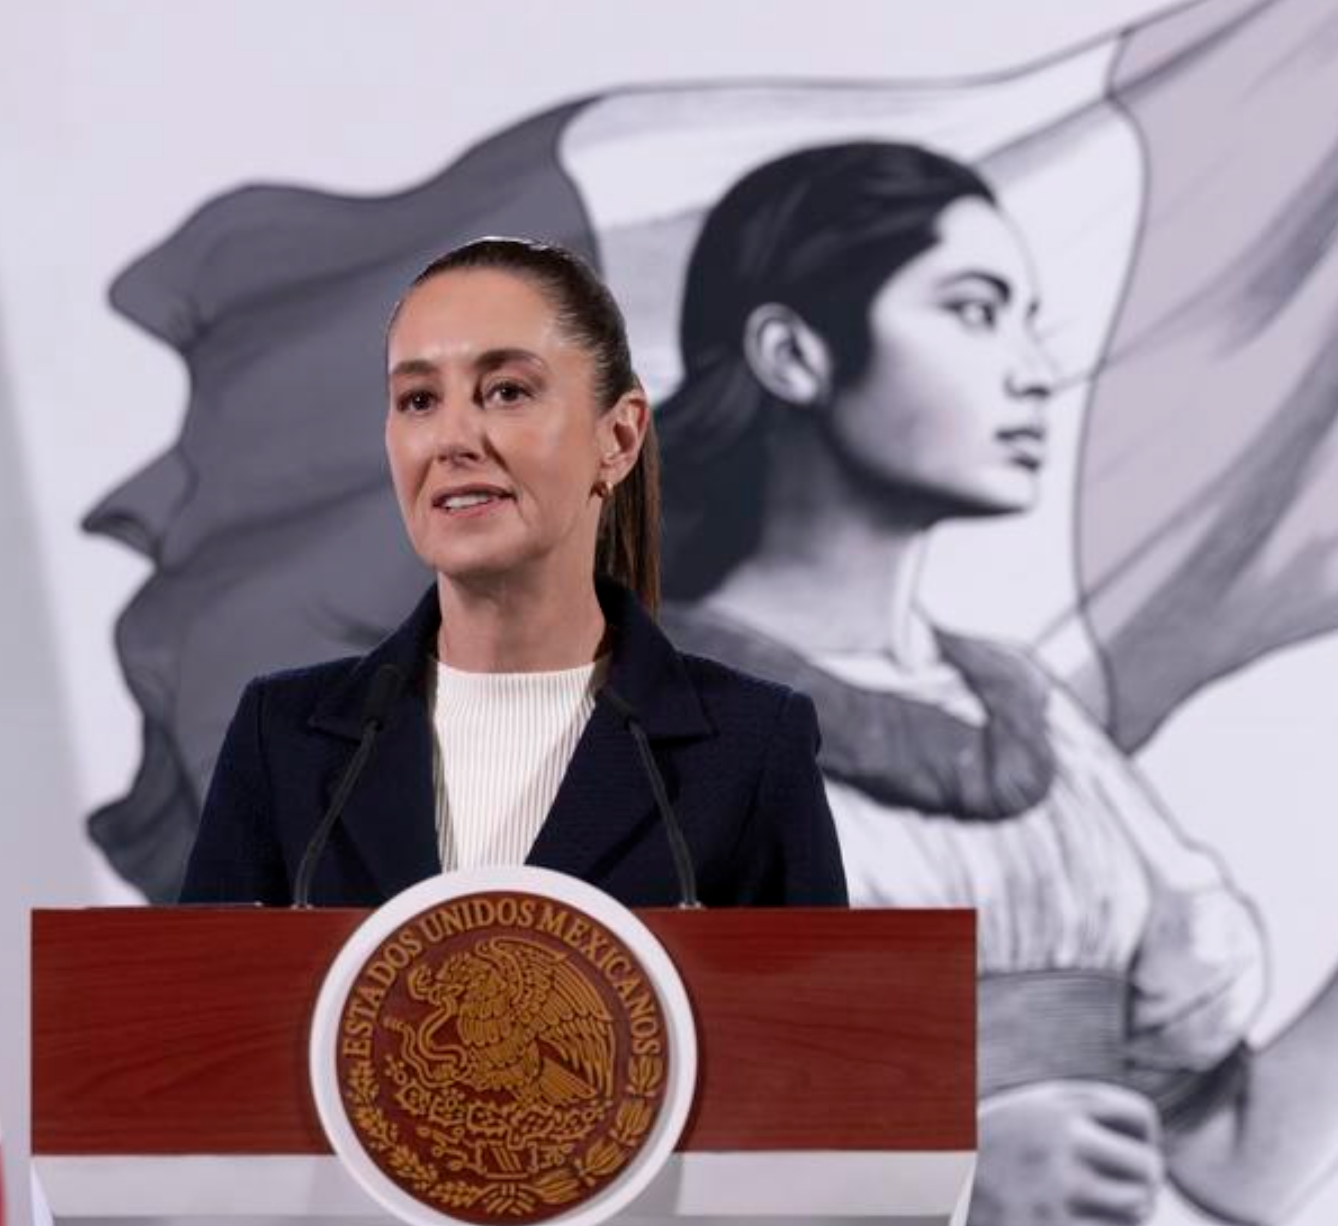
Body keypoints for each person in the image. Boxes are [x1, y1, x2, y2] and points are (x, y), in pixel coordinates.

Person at [657, 141, 1338, 1226]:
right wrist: (930, 1187)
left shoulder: (1034, 719)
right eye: (973, 309)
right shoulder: (641, 728)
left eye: (1027, 316)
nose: (1030, 367)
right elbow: (504, 1174)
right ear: (791, 353)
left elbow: (1241, 1165)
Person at [179, 237, 848, 910]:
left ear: (616, 439)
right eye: (417, 400)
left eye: (505, 391)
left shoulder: (749, 744)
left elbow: (819, 1017)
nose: (451, 439)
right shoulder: (284, 740)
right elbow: (196, 1012)